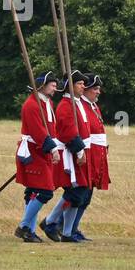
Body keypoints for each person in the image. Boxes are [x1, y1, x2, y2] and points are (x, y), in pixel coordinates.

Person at [42, 71, 91, 243]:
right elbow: (68, 132)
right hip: (70, 153)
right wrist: (79, 151)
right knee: (74, 193)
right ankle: (50, 221)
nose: (83, 86)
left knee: (78, 194)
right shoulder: (65, 105)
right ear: (71, 86)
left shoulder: (75, 103)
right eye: (80, 84)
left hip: (79, 151)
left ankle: (67, 232)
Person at [13, 71, 62, 243]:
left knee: (34, 191)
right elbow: (39, 132)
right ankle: (25, 226)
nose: (56, 87)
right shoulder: (32, 105)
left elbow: (50, 129)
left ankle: (29, 232)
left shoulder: (47, 103)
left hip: (42, 151)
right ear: (42, 85)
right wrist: (53, 149)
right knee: (45, 191)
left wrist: (53, 147)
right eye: (52, 84)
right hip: (34, 151)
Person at [72, 73, 110, 242]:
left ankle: (72, 227)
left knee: (86, 198)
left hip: (97, 155)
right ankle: (59, 224)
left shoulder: (93, 106)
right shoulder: (80, 106)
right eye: (95, 89)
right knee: (79, 196)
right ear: (86, 90)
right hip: (88, 154)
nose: (98, 92)